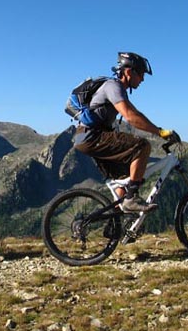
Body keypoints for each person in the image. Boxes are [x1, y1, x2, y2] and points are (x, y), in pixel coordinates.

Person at [73, 52, 180, 213]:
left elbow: (136, 114)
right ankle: (131, 199)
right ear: (129, 72)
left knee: (124, 178)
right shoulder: (113, 86)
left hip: (88, 137)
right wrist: (160, 132)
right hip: (91, 136)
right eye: (141, 74)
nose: (142, 79)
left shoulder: (117, 89)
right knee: (142, 146)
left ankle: (116, 223)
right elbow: (130, 116)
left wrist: (158, 130)